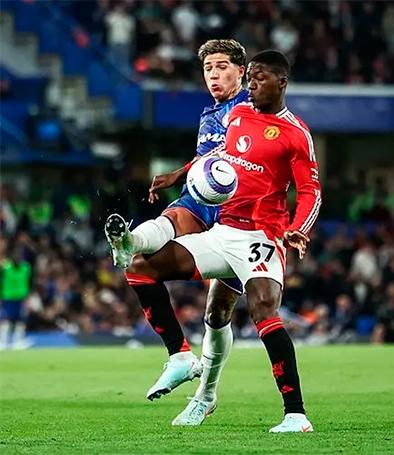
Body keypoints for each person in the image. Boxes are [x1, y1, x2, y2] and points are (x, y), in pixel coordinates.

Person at [109, 50, 321, 432]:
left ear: (282, 83)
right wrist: (179, 174)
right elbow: (221, 154)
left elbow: (310, 190)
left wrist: (299, 228)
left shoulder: (295, 134)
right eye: (250, 78)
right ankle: (185, 364)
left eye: (259, 79)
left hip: (262, 236)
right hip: (224, 231)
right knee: (140, 267)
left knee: (263, 311)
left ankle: (295, 414)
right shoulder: (238, 117)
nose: (252, 85)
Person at [104, 39, 249, 403]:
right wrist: (183, 174)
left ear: (241, 71)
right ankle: (180, 355)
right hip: (201, 201)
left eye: (222, 67)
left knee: (218, 313)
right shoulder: (209, 113)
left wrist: (179, 172)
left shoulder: (251, 107)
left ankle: (207, 394)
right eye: (208, 68)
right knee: (142, 259)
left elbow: (235, 150)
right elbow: (209, 157)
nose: (213, 75)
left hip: (240, 213)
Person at [0, 245, 32, 349]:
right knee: (6, 320)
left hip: (21, 298)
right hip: (8, 298)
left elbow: (29, 283)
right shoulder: (5, 267)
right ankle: (3, 342)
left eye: (19, 256)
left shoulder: (26, 268)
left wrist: (28, 297)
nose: (17, 258)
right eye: (15, 256)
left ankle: (18, 342)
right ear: (11, 257)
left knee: (20, 320)